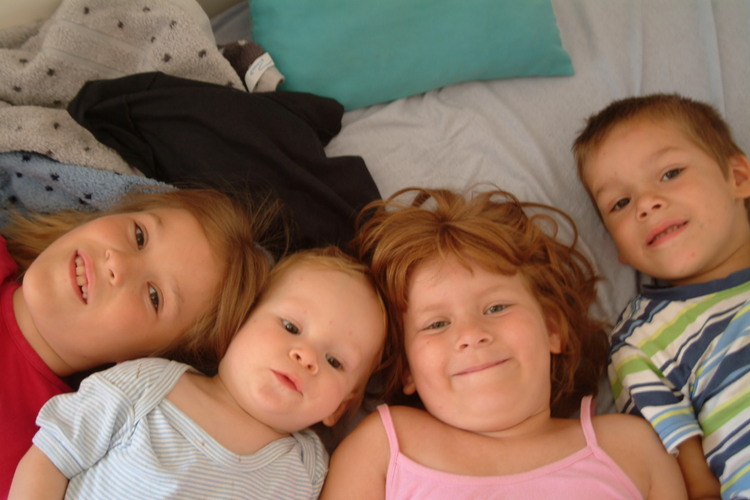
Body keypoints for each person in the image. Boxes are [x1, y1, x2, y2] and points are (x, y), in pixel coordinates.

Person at [320, 187, 686, 499]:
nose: (470, 334)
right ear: (408, 369)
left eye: (496, 307)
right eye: (436, 324)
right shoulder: (385, 447)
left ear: (552, 328)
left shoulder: (630, 448)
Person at [9, 246, 388, 500]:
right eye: (290, 327)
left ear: (340, 407)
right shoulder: (145, 384)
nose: (307, 357)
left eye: (335, 362)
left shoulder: (309, 469)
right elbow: (50, 458)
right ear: (238, 321)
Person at [1, 187, 280, 498]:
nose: (118, 263)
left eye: (154, 297)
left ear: (144, 362)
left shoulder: (41, 456)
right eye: (139, 236)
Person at [572, 93, 750, 499]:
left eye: (670, 173)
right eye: (620, 203)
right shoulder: (641, 342)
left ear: (738, 178)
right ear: (617, 245)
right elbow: (695, 487)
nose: (647, 203)